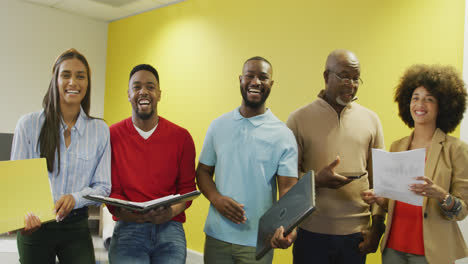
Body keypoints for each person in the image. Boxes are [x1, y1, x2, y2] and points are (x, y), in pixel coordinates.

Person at [10, 48, 111, 264]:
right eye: (66, 75)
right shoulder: (28, 125)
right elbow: (16, 186)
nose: (73, 82)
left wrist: (76, 198)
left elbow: (103, 186)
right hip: (35, 228)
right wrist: (21, 219)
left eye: (80, 76)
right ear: (55, 80)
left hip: (76, 227)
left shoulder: (100, 130)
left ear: (87, 83)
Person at [286, 49, 386, 264]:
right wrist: (316, 181)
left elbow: (381, 183)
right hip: (311, 233)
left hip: (357, 236)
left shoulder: (372, 120)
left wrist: (377, 228)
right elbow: (287, 180)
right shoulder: (298, 119)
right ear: (326, 76)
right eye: (344, 76)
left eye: (356, 78)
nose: (351, 83)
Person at [361, 64, 468, 264]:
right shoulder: (397, 146)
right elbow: (392, 201)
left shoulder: (456, 150)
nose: (420, 104)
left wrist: (440, 194)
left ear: (443, 106)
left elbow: (461, 210)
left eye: (429, 99)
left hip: (431, 252)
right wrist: (378, 197)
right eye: (415, 98)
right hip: (393, 248)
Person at [196, 56, 298, 264]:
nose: (256, 82)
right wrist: (216, 198)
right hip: (217, 237)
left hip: (259, 240)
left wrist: (288, 227)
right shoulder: (218, 126)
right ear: (240, 80)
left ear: (271, 84)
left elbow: (288, 191)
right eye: (250, 76)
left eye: (263, 77)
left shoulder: (283, 135)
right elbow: (203, 172)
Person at [107, 64, 196, 264]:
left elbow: (187, 190)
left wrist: (170, 212)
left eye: (150, 87)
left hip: (169, 227)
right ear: (129, 94)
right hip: (128, 227)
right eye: (137, 87)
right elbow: (111, 190)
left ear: (159, 94)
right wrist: (127, 214)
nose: (143, 92)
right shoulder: (111, 136)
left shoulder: (181, 138)